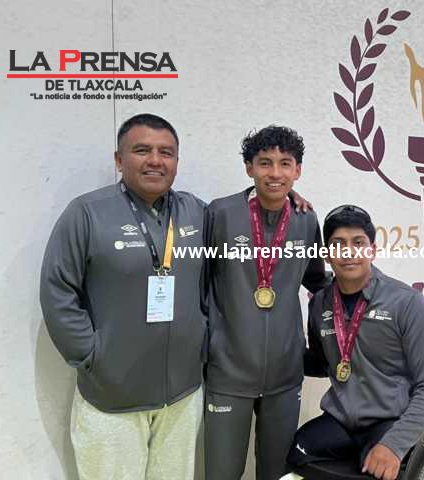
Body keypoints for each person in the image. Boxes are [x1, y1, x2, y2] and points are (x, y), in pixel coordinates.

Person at [39, 113, 208, 480]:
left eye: (166, 152)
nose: (155, 160)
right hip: (112, 397)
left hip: (182, 395)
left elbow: (237, 229)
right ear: (119, 160)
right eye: (142, 150)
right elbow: (58, 290)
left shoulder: (195, 212)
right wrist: (92, 356)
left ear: (177, 162)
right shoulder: (87, 213)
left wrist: (286, 196)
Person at [203, 125, 328, 480]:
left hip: (285, 375)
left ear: (297, 170)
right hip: (228, 372)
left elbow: (317, 282)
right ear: (249, 168)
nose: (275, 173)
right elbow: (198, 284)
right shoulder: (220, 214)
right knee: (222, 473)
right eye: (265, 163)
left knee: (277, 473)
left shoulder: (306, 219)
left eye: (285, 164)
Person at [287, 205, 424, 480]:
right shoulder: (320, 304)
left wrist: (394, 445)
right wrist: (276, 351)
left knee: (375, 469)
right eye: (338, 244)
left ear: (372, 250)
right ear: (327, 254)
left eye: (358, 243)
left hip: (392, 419)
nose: (348, 252)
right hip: (343, 421)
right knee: (298, 453)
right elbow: (324, 364)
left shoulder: (407, 302)